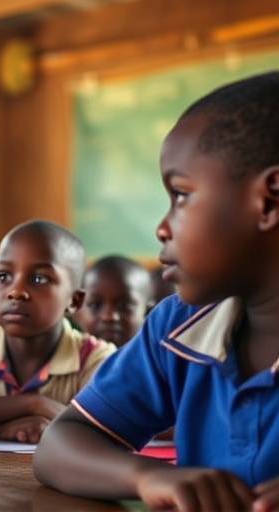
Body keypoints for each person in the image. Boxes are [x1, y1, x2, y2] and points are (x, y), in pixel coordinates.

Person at [34, 72, 279, 512]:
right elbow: (59, 446)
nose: (162, 228)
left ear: (270, 202)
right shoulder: (178, 327)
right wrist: (150, 476)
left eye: (180, 195)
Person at [0, 220, 116, 443]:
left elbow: (99, 430)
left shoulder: (94, 357)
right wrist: (32, 404)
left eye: (39, 279)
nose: (16, 291)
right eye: (3, 276)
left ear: (74, 300)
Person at [74, 255, 154, 347]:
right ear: (77, 310)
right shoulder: (67, 358)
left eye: (124, 306)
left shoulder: (159, 359)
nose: (109, 317)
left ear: (148, 312)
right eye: (95, 306)